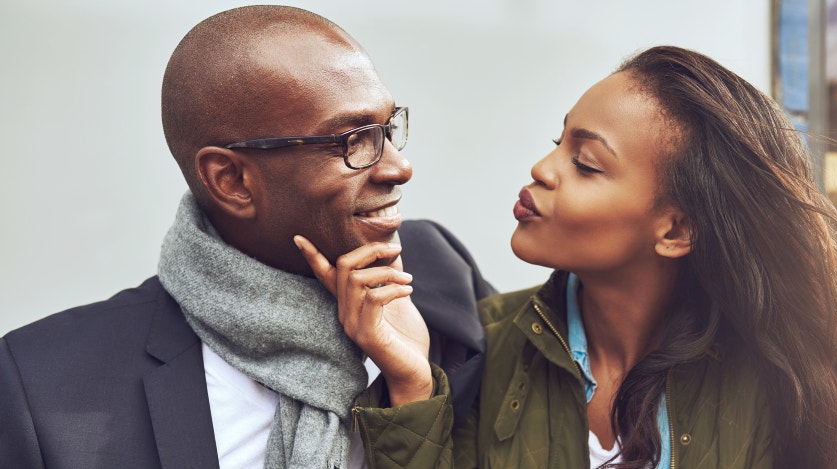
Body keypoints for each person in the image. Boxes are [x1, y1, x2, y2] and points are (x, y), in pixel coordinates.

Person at [300, 45, 837, 468]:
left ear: (676, 231)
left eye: (586, 162)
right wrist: (410, 387)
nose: (542, 169)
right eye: (557, 141)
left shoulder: (781, 383)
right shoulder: (479, 350)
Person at [0, 6, 495, 469]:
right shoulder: (45, 387)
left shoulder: (441, 283)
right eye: (352, 141)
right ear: (231, 181)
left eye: (387, 127)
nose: (399, 166)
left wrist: (414, 393)